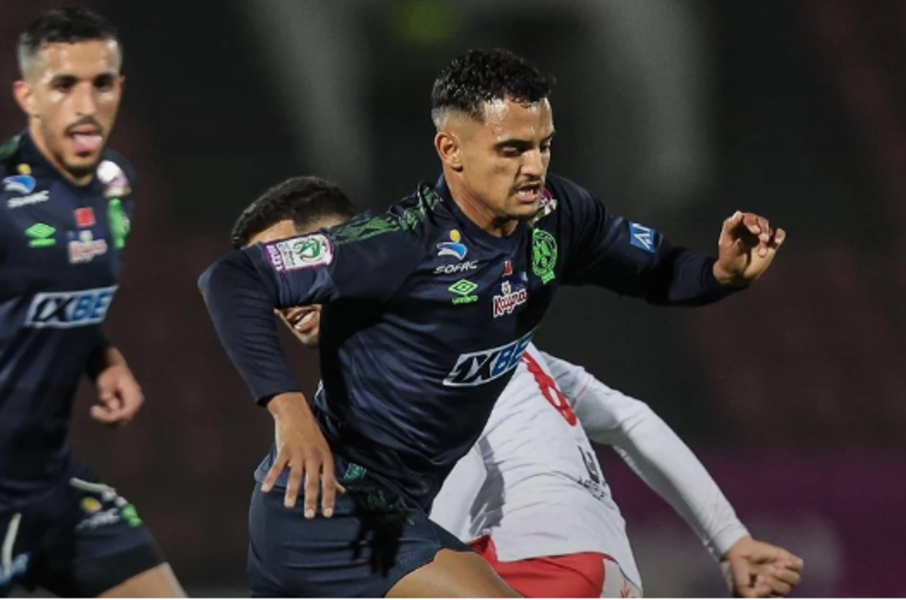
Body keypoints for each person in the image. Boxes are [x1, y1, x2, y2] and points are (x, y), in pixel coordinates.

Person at [199, 48, 785, 597]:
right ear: (451, 149)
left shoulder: (557, 216)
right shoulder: (398, 244)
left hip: (388, 517)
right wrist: (290, 413)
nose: (535, 167)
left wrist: (719, 274)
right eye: (512, 150)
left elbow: (655, 269)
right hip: (330, 508)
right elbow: (231, 278)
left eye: (544, 146)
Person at [0, 8, 184, 597]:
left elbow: (46, 300)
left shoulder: (116, 185)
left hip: (49, 481)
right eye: (64, 85)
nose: (86, 104)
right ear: (28, 96)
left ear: (119, 89)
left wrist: (102, 359)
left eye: (101, 83)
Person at [430, 347, 804, 598]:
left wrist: (423, 569)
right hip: (611, 571)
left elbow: (457, 461)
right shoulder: (511, 347)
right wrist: (731, 540)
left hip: (533, 558)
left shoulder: (413, 341)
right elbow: (629, 419)